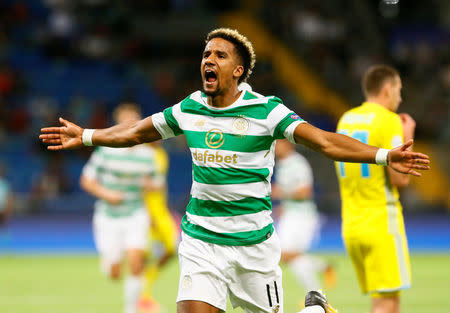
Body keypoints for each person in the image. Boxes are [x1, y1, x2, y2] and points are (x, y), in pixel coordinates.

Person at [40, 28, 429, 313]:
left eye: (220, 56)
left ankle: (315, 309)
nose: (208, 60)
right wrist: (88, 135)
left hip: (253, 246)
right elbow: (137, 131)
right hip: (200, 241)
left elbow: (325, 141)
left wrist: (383, 155)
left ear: (239, 70)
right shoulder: (190, 108)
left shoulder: (266, 111)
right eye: (206, 55)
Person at [335, 65, 417, 313]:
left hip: (351, 225)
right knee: (387, 305)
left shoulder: (345, 119)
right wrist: (408, 135)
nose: (400, 98)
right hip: (382, 223)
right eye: (399, 90)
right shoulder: (389, 120)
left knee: (379, 302)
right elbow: (400, 179)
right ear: (387, 89)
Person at [79, 103, 155, 313]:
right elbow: (86, 180)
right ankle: (110, 262)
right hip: (108, 216)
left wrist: (149, 186)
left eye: (133, 121)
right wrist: (107, 194)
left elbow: (154, 184)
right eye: (125, 121)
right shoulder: (105, 151)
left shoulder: (147, 155)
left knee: (136, 261)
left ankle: (131, 309)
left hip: (135, 213)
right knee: (114, 272)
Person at [272, 139, 336, 294]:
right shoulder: (282, 164)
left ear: (288, 144)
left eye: (278, 143)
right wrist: (283, 206)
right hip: (290, 215)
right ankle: (321, 273)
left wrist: (280, 193)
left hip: (302, 217)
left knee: (285, 253)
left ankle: (316, 293)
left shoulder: (298, 164)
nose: (275, 147)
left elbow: (306, 192)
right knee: (287, 255)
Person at [138, 141, 178, 313]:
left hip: (160, 210)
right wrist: (146, 213)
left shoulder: (161, 154)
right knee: (144, 254)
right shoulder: (141, 155)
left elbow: (161, 186)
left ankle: (143, 293)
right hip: (147, 211)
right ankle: (142, 298)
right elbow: (140, 186)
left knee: (172, 248)